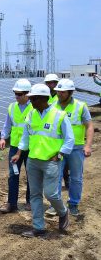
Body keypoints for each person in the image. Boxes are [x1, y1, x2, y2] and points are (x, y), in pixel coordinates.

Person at [11, 83, 74, 238]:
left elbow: (69, 139)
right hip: (33, 160)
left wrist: (59, 155)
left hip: (51, 161)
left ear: (43, 99)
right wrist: (19, 153)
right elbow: (26, 137)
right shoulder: (31, 114)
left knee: (51, 194)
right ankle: (38, 227)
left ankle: (63, 211)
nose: (30, 101)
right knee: (35, 195)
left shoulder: (59, 115)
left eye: (33, 98)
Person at [44, 79, 93, 217]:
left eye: (63, 92)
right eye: (58, 92)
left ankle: (73, 205)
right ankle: (56, 205)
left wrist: (88, 145)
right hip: (58, 149)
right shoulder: (52, 106)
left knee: (76, 177)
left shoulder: (80, 106)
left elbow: (89, 126)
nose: (59, 94)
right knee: (56, 176)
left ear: (70, 92)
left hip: (76, 149)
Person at [0, 79, 32, 213]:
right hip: (14, 147)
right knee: (13, 175)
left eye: (19, 94)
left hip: (31, 148)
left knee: (31, 175)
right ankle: (11, 203)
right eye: (15, 94)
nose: (16, 97)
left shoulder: (34, 107)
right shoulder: (12, 107)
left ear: (27, 94)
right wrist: (3, 137)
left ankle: (30, 201)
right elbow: (7, 125)